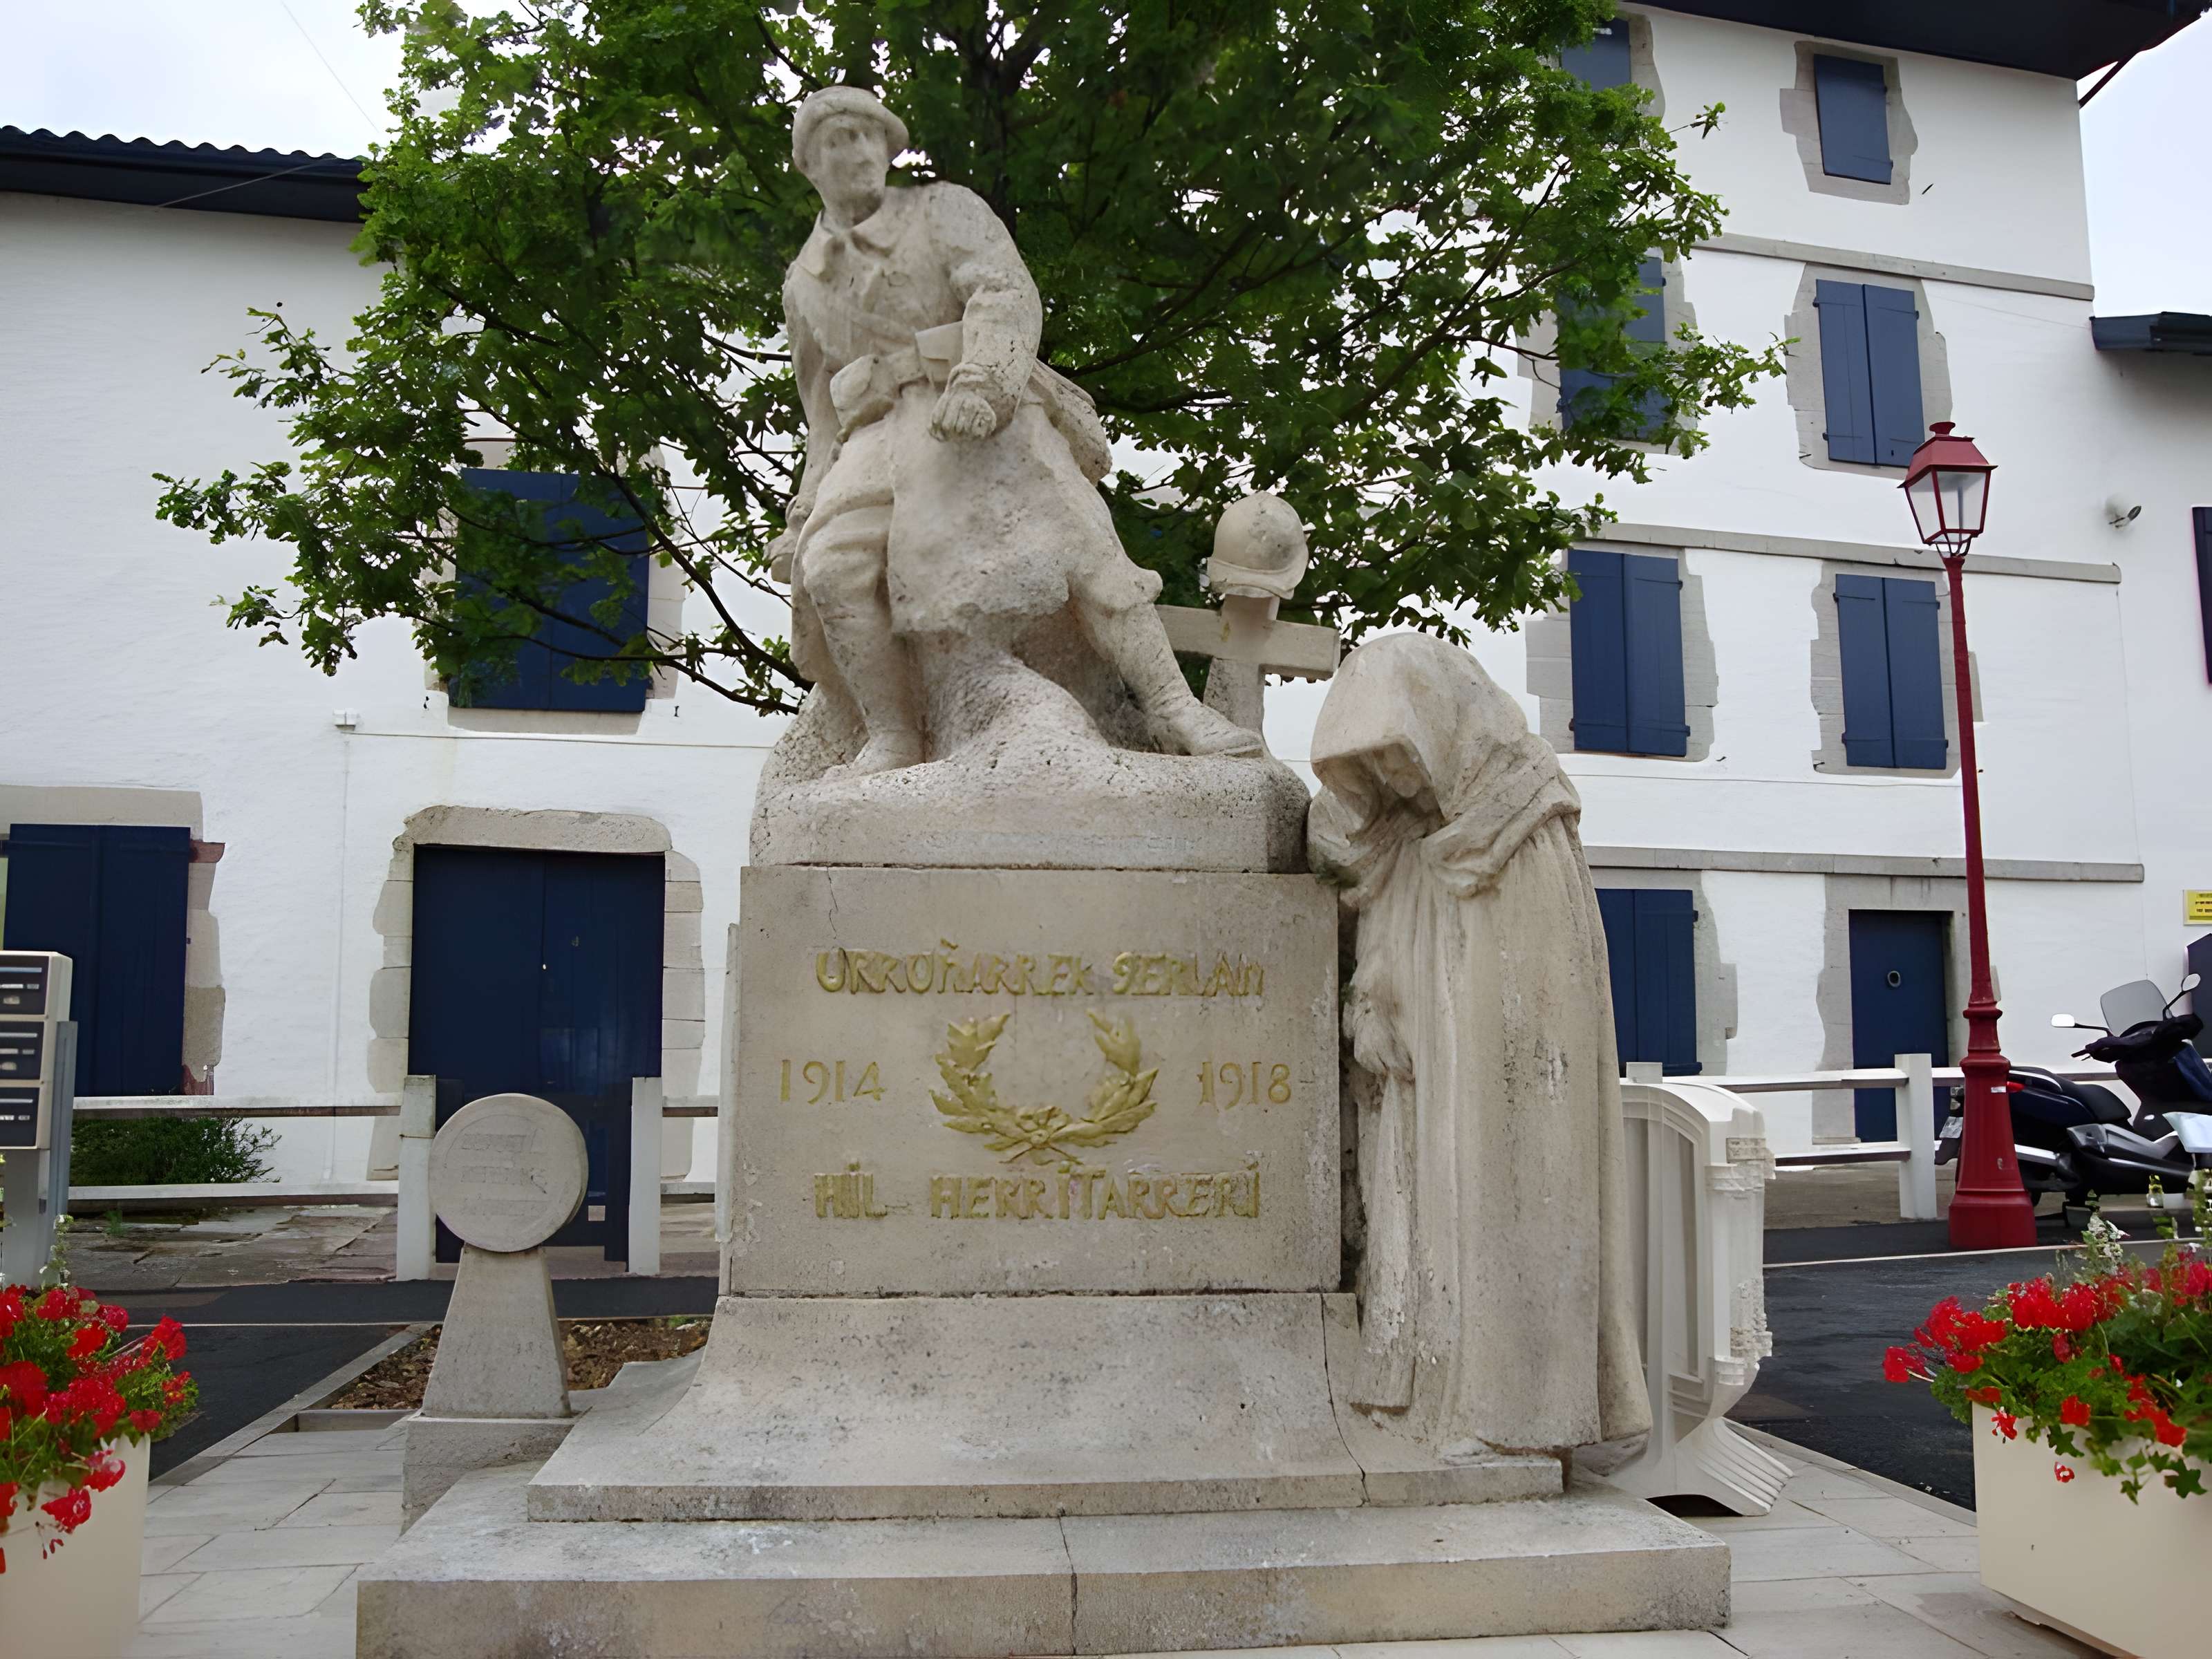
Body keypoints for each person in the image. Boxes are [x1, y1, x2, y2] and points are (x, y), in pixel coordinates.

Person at [771, 86, 1259, 775]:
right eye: (835, 141)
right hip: (878, 435)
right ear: (807, 164)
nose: (855, 154)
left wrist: (983, 382)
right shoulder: (805, 284)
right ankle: (893, 735)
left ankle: (1173, 705)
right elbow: (820, 409)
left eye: (865, 137)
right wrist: (801, 515)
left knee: (1082, 542)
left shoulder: (941, 210)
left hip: (975, 402)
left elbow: (1002, 290)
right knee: (830, 569)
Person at [1308, 632, 1650, 1459]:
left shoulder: (1522, 819)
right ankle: (1431, 1387)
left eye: (1397, 759)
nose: (1394, 781)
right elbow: (1368, 912)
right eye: (1374, 768)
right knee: (1426, 1216)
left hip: (1499, 1092)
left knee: (1502, 1213)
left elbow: (1536, 999)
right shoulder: (1402, 833)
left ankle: (1512, 1410)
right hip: (1427, 1080)